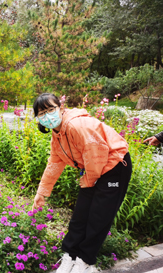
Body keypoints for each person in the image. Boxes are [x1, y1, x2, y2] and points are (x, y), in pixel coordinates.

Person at [32, 93, 132, 273]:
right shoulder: (58, 134)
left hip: (115, 165)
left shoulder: (76, 125)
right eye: (42, 113)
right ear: (37, 117)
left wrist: (89, 180)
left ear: (61, 108)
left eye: (51, 109)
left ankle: (86, 261)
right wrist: (42, 193)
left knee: (99, 216)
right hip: (93, 169)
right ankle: (70, 255)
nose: (47, 115)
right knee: (81, 213)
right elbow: (54, 164)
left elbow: (97, 153)